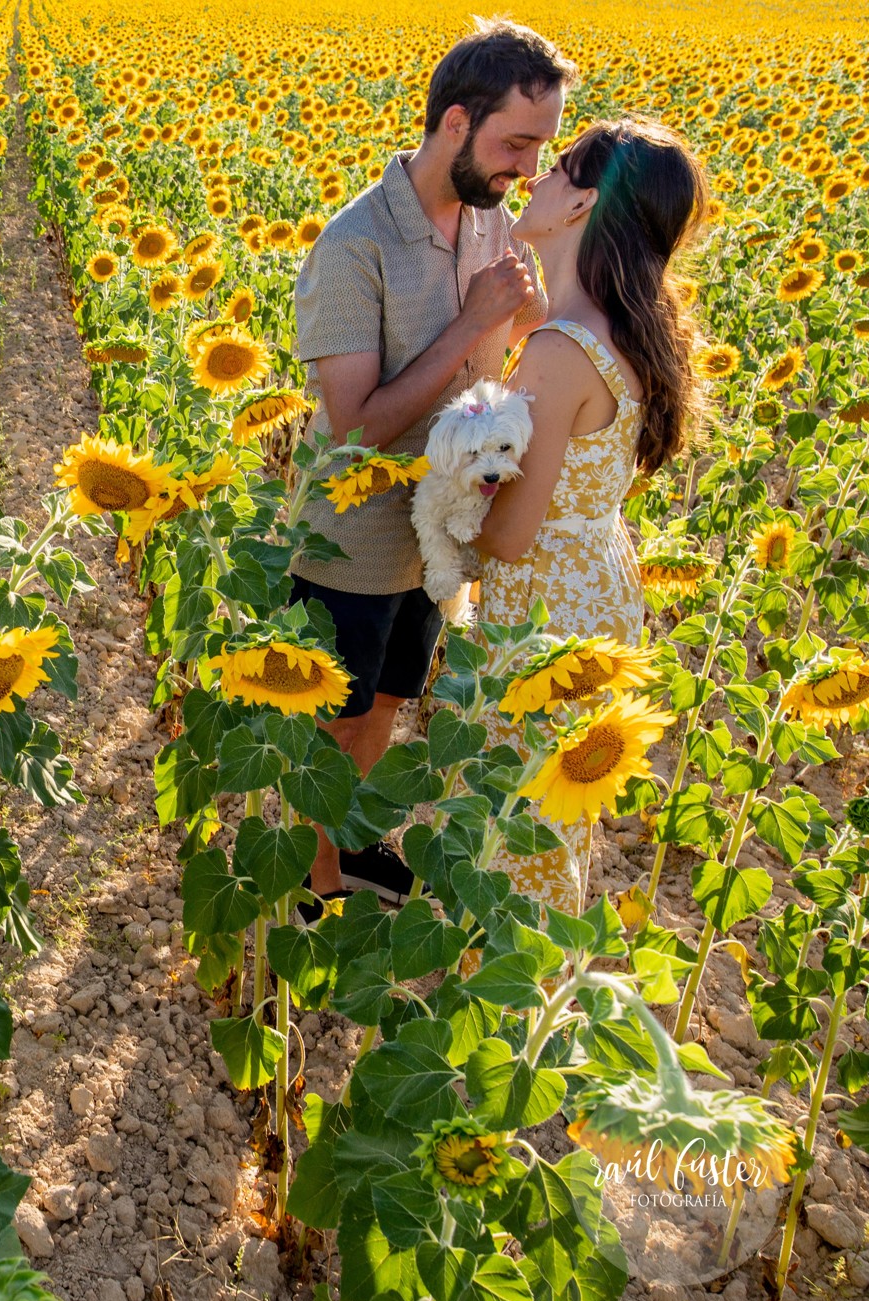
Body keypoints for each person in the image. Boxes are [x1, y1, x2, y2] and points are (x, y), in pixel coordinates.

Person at [291, 19, 574, 906]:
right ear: (456, 122)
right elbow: (356, 427)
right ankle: (311, 881)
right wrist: (473, 321)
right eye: (516, 144)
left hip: (439, 525)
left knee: (387, 703)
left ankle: (350, 846)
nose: (526, 169)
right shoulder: (353, 246)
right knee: (333, 724)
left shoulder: (488, 226)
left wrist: (520, 316)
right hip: (356, 534)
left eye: (541, 148)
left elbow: (490, 356)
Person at [473, 119, 708, 913]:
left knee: (513, 823)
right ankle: (536, 989)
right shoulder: (619, 335)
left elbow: (509, 531)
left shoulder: (561, 350)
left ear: (582, 205)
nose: (535, 178)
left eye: (560, 168)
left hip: (543, 611)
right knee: (554, 816)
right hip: (599, 585)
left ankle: (509, 998)